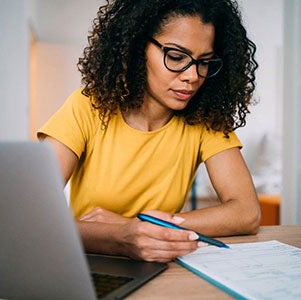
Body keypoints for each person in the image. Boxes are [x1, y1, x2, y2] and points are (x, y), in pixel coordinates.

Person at [38, 0, 261, 262]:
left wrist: (132, 226)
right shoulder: (86, 107)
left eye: (204, 62)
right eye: (176, 57)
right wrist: (121, 237)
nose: (192, 76)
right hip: (87, 263)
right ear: (136, 48)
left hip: (161, 263)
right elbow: (35, 216)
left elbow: (247, 213)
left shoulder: (206, 119)